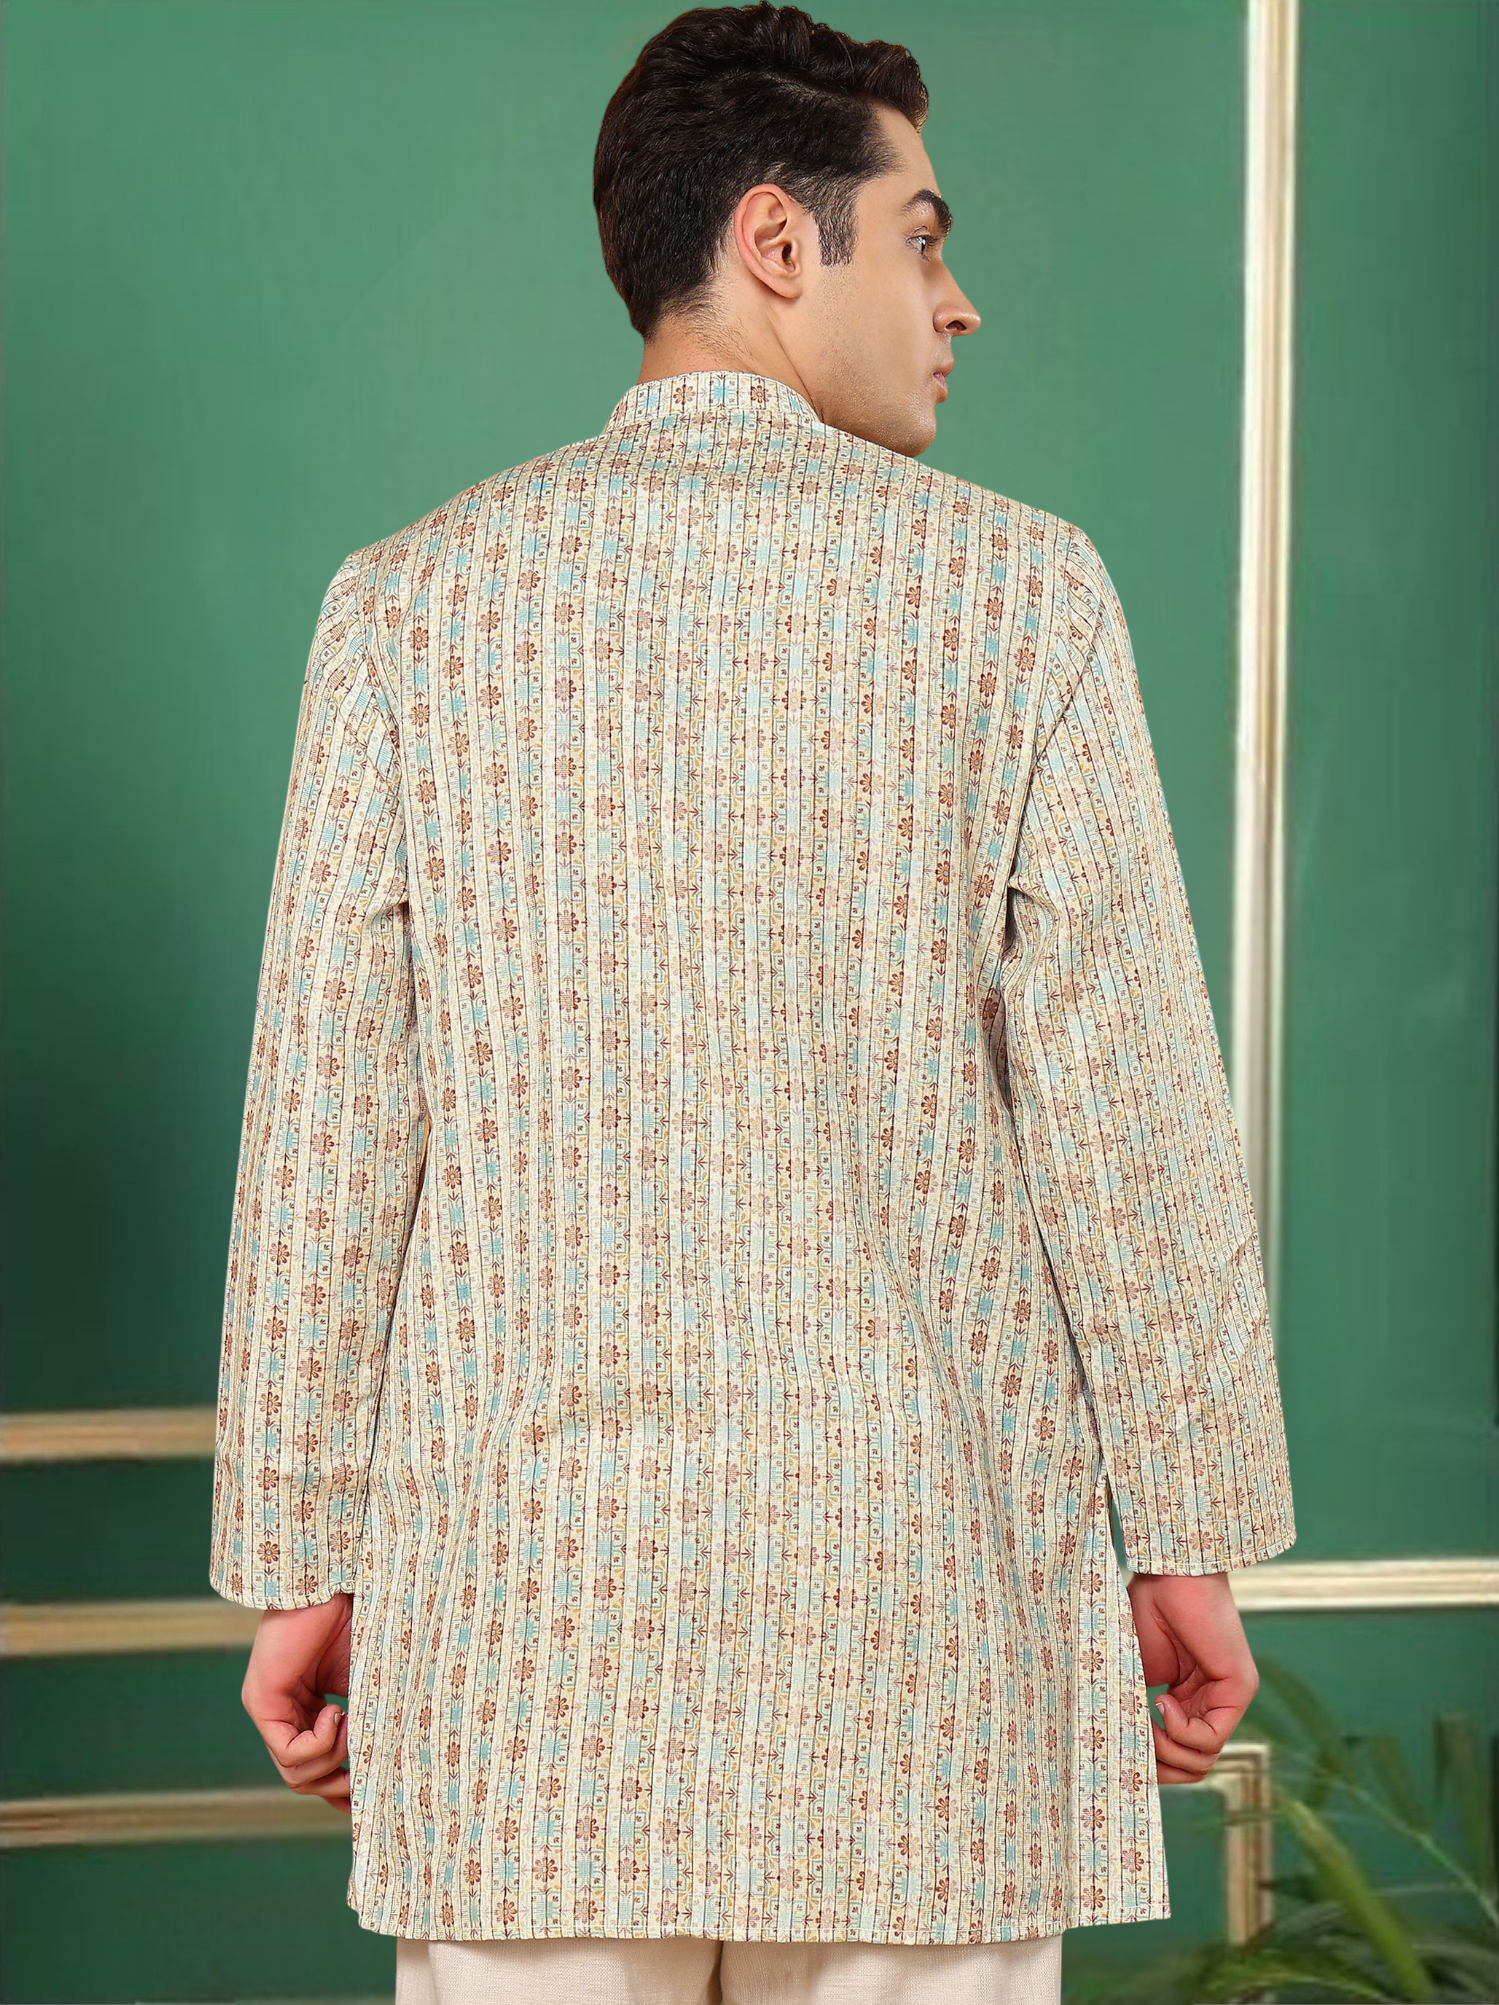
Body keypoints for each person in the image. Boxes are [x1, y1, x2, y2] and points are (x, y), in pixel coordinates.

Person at [210, 6, 1296, 2001]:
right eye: (922, 238)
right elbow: (1123, 1116)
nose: (956, 304)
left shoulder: (410, 607)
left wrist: (297, 1560)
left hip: (525, 1644)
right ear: (777, 243)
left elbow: (327, 1133)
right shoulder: (1017, 597)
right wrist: (1187, 1536)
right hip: (927, 1634)